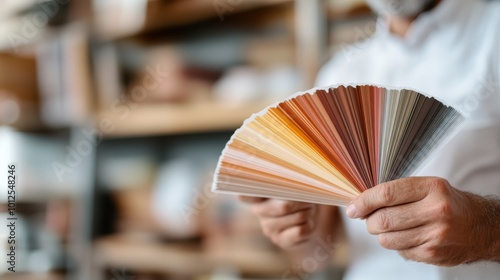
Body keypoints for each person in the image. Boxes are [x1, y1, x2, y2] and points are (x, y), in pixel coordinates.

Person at [240, 0, 500, 279]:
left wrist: (483, 232)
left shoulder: (493, 33)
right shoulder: (339, 74)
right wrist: (293, 224)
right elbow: (316, 253)